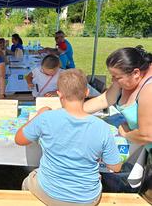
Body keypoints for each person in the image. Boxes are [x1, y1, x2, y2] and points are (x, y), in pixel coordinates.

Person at [15, 69, 122, 205]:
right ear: (87, 93)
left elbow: (19, 139)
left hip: (49, 192)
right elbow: (116, 167)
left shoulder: (46, 118)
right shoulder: (102, 127)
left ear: (59, 94)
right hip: (87, 198)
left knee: (28, 180)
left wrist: (39, 115)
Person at [84, 46, 152, 192]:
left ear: (136, 73)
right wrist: (73, 111)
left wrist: (126, 133)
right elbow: (105, 100)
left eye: (117, 77)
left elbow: (147, 135)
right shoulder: (128, 77)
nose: (114, 80)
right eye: (112, 76)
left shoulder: (149, 90)